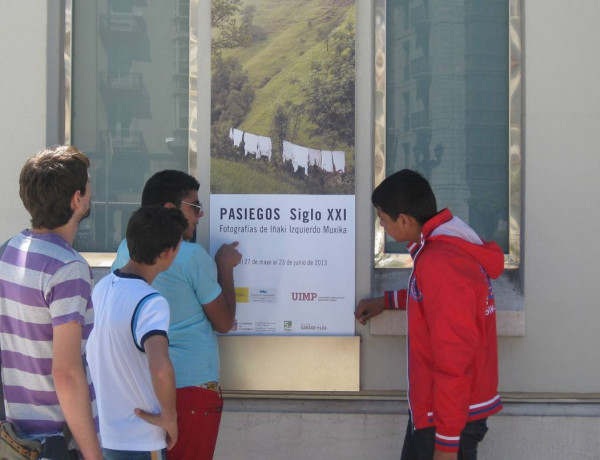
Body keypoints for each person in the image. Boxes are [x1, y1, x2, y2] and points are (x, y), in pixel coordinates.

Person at [355, 169, 503, 460]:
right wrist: (388, 300)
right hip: (443, 412)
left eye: (383, 220)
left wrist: (447, 445)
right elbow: (435, 303)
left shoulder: (440, 263)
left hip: (446, 419)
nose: (383, 227)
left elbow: (454, 356)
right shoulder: (446, 249)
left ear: (405, 220)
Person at [112, 170, 242, 460]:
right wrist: (225, 267)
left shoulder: (125, 251)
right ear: (171, 210)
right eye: (194, 207)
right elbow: (223, 322)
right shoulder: (191, 255)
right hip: (191, 391)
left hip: (143, 391)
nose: (200, 215)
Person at [0, 146, 102, 459]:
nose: (90, 191)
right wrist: (93, 454)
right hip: (55, 443)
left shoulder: (8, 250)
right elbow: (67, 373)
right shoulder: (67, 268)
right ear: (77, 199)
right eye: (87, 184)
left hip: (14, 440)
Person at [87, 206, 188, 459]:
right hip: (141, 440)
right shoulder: (152, 302)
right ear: (167, 252)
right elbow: (161, 367)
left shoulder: (102, 287)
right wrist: (170, 417)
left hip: (104, 435)